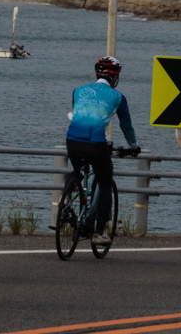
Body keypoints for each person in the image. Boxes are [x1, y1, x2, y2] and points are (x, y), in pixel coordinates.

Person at [65, 56, 139, 246]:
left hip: (72, 141)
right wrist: (133, 147)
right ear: (114, 76)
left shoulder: (78, 91)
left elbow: (78, 115)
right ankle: (99, 232)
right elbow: (126, 125)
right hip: (96, 144)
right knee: (106, 183)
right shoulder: (118, 97)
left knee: (78, 170)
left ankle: (67, 199)